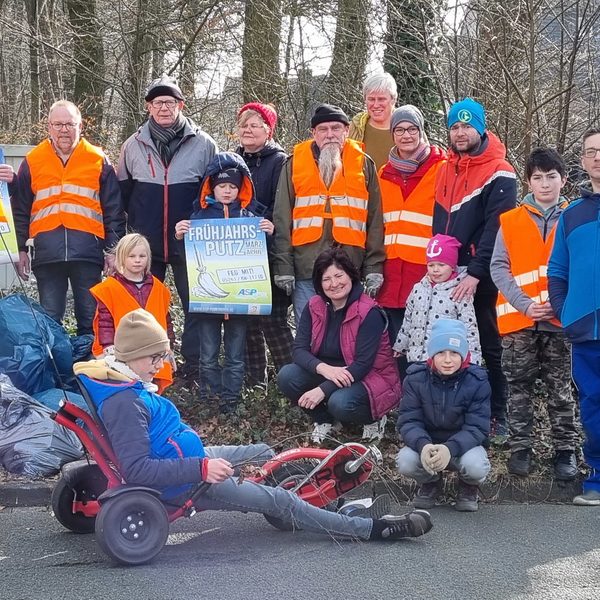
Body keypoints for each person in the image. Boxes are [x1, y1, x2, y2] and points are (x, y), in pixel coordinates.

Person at [73, 308, 433, 542]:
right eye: (156, 357)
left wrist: (199, 458)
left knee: (263, 452)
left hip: (186, 459)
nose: (161, 364)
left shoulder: (121, 383)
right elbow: (137, 469)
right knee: (281, 501)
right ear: (133, 355)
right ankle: (373, 528)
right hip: (187, 484)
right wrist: (202, 467)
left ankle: (318, 494)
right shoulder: (124, 402)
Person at [117, 74, 218, 377]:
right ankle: (154, 368)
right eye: (158, 102)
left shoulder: (204, 144)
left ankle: (195, 367)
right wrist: (125, 240)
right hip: (145, 247)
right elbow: (122, 196)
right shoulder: (132, 146)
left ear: (181, 105)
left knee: (197, 307)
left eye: (170, 102)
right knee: (146, 310)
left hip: (191, 244)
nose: (164, 108)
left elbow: (216, 196)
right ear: (148, 107)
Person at [433, 97, 517, 441]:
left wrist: (476, 272)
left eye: (467, 126)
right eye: (455, 126)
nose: (461, 132)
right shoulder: (445, 167)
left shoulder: (501, 170)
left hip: (480, 274)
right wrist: (437, 264)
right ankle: (456, 415)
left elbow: (497, 229)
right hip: (448, 272)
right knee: (448, 344)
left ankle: (498, 414)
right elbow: (439, 224)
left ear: (480, 128)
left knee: (487, 343)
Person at [491, 148, 577, 480]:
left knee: (560, 390)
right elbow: (498, 268)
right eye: (537, 177)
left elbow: (584, 269)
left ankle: (565, 452)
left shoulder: (576, 217)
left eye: (551, 176)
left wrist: (561, 303)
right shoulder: (510, 221)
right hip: (518, 321)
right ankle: (520, 449)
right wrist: (524, 304)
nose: (544, 184)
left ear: (563, 179)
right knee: (519, 388)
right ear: (528, 181)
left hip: (561, 321)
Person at [5, 100, 124, 335]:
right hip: (47, 254)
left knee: (90, 317)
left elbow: (114, 210)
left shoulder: (98, 159)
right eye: (58, 124)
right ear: (49, 127)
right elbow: (20, 209)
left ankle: (87, 368)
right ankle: (57, 370)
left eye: (69, 124)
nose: (64, 130)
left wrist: (113, 251)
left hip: (88, 253)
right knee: (50, 318)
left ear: (80, 126)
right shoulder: (33, 160)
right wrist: (20, 249)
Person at [175, 152, 273, 414]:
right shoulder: (198, 217)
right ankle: (209, 399)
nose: (227, 191)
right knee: (207, 355)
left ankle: (231, 401)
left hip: (239, 302)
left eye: (232, 186)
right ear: (211, 187)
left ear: (241, 188)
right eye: (222, 186)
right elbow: (189, 259)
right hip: (208, 304)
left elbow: (263, 254)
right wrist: (180, 235)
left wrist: (269, 233)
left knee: (235, 356)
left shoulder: (251, 217)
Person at [272, 103, 385, 324]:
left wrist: (374, 268)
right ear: (314, 133)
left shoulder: (364, 164)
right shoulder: (294, 164)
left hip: (351, 267)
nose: (330, 134)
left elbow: (375, 220)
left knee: (350, 333)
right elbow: (282, 218)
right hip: (306, 267)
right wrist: (283, 266)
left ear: (346, 131)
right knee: (310, 333)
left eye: (336, 128)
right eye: (323, 129)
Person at [277, 247, 400, 444]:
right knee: (287, 376)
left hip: (368, 376)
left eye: (339, 275)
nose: (334, 284)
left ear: (351, 276)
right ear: (319, 283)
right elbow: (299, 350)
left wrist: (322, 390)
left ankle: (373, 419)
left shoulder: (369, 312)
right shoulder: (314, 305)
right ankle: (325, 421)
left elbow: (362, 365)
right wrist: (326, 370)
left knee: (340, 403)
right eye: (326, 279)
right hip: (331, 371)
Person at [549, 128, 600, 505]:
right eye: (590, 152)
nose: (597, 157)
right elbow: (558, 271)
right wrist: (566, 313)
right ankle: (597, 478)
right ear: (582, 161)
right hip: (585, 331)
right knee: (593, 406)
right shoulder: (572, 215)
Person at [375, 105, 446, 375]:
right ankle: (402, 400)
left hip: (427, 272)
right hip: (391, 273)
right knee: (395, 345)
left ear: (422, 131)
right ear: (392, 134)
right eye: (400, 130)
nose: (406, 135)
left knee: (428, 343)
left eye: (412, 129)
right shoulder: (383, 173)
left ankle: (428, 398)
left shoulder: (441, 167)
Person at [396, 319, 491, 512]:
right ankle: (431, 482)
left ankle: (468, 485)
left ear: (464, 355)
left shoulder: (478, 381)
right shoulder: (415, 379)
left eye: (454, 353)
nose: (447, 360)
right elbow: (408, 420)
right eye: (441, 352)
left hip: (464, 447)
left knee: (476, 466)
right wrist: (423, 446)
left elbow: (477, 427)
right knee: (405, 461)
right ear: (431, 354)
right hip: (428, 445)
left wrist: (450, 448)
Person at [235, 102, 294, 388]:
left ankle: (291, 379)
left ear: (269, 130)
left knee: (274, 321)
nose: (248, 129)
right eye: (244, 125)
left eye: (254, 124)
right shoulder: (232, 160)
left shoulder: (281, 161)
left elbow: (283, 203)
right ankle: (254, 381)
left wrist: (269, 222)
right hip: (240, 255)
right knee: (247, 322)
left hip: (271, 252)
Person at [89, 233, 175, 393]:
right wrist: (109, 349)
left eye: (142, 256)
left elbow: (165, 319)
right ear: (121, 258)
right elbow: (104, 323)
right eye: (132, 256)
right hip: (124, 354)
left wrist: (169, 345)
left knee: (153, 392)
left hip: (154, 354)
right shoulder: (109, 288)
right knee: (128, 392)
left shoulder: (158, 288)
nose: (137, 260)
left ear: (148, 258)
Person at [393, 234, 481, 366]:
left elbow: (469, 328)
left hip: (444, 360)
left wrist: (474, 359)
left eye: (441, 264)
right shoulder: (418, 289)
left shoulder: (459, 291)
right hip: (417, 357)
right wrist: (401, 345)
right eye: (431, 265)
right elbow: (408, 320)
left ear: (452, 266)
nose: (435, 270)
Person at [349, 72, 397, 169]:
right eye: (371, 99)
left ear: (393, 99)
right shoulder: (355, 127)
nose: (375, 105)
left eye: (381, 99)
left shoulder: (409, 126)